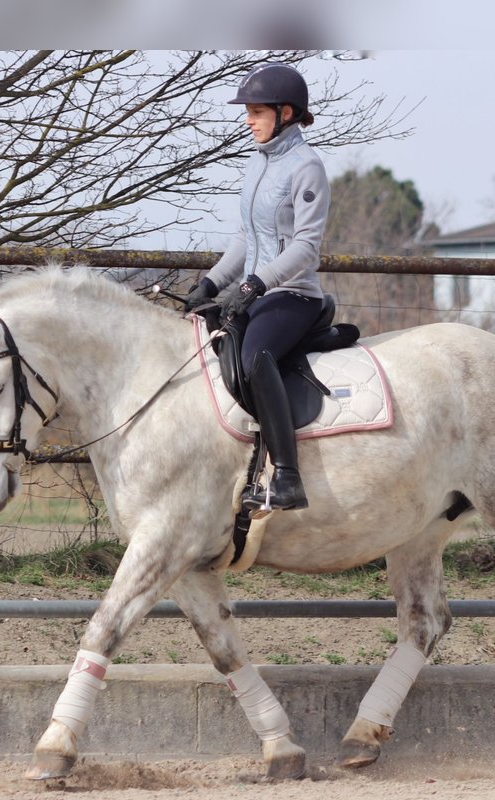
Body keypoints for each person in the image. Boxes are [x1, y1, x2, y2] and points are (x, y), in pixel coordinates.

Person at [185, 61, 330, 511]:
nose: (248, 120)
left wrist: (256, 283)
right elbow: (247, 237)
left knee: (254, 356)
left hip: (294, 295)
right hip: (255, 290)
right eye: (248, 112)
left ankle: (287, 475)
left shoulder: (307, 168)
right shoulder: (257, 164)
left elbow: (306, 247)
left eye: (256, 112)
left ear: (285, 113)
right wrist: (210, 283)